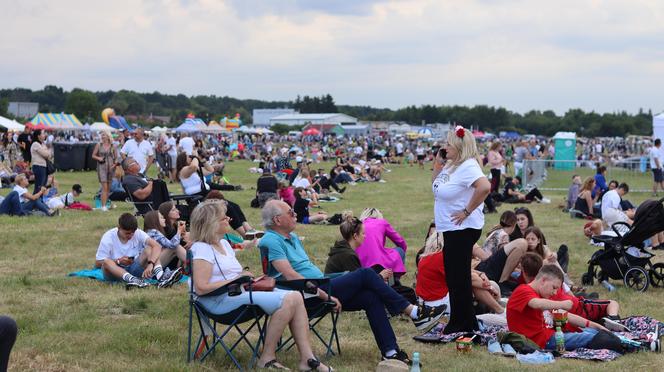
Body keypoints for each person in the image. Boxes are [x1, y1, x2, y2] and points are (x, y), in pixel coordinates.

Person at [259, 200, 445, 364]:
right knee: (365, 274)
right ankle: (413, 312)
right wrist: (324, 294)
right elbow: (290, 276)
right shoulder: (271, 240)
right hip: (304, 295)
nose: (296, 214)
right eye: (291, 212)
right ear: (277, 220)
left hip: (320, 284)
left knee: (371, 296)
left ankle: (390, 351)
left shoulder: (291, 238)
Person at [188, 201, 332, 371]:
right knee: (288, 298)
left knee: (295, 295)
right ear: (211, 223)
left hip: (237, 294)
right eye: (224, 217)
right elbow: (201, 287)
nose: (229, 218)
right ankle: (267, 358)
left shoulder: (225, 244)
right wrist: (238, 279)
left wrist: (247, 279)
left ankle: (307, 359)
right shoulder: (202, 248)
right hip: (218, 301)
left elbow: (233, 275)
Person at [431, 125, 491, 334]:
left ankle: (463, 324)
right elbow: (435, 187)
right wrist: (438, 162)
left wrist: (466, 211)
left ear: (459, 146)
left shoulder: (468, 166)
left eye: (449, 144)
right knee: (455, 277)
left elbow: (485, 187)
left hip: (463, 228)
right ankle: (461, 320)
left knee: (458, 278)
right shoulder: (451, 165)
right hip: (451, 229)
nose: (445, 147)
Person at [506, 265, 608, 350]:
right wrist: (563, 304)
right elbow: (536, 304)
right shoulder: (523, 291)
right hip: (543, 342)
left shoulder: (540, 296)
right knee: (591, 337)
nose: (554, 292)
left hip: (551, 337)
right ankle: (620, 344)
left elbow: (565, 316)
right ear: (543, 280)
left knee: (594, 332)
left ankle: (612, 339)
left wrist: (594, 325)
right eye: (554, 287)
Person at [520, 252, 622, 328]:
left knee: (592, 300)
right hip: (577, 307)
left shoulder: (535, 288)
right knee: (612, 303)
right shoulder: (547, 284)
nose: (554, 291)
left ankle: (610, 319)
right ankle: (613, 319)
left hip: (575, 307)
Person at [95, 213, 181, 289]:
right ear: (119, 228)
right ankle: (134, 280)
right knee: (106, 262)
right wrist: (118, 261)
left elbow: (157, 246)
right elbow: (98, 263)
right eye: (127, 233)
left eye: (133, 232)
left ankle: (161, 278)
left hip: (133, 268)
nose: (131, 235)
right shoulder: (108, 237)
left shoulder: (138, 233)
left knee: (149, 249)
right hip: (114, 272)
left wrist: (151, 264)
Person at [355, 208, 408, 275]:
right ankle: (394, 279)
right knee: (400, 250)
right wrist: (403, 253)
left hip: (359, 263)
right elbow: (400, 241)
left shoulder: (357, 225)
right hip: (378, 264)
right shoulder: (382, 223)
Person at [92, 131, 120, 211]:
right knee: (104, 187)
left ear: (108, 136)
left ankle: (104, 205)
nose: (102, 137)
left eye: (104, 135)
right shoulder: (98, 145)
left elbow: (116, 158)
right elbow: (93, 155)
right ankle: (104, 206)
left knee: (108, 188)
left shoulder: (113, 146)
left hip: (111, 168)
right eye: (102, 135)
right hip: (101, 167)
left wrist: (114, 165)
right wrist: (99, 158)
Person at [30, 129, 52, 194]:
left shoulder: (42, 144)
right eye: (42, 133)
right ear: (38, 136)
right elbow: (46, 154)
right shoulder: (35, 144)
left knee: (43, 187)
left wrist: (47, 152)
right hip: (38, 167)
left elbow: (49, 155)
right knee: (39, 187)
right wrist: (47, 152)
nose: (44, 135)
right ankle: (35, 202)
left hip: (43, 167)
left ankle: (39, 201)